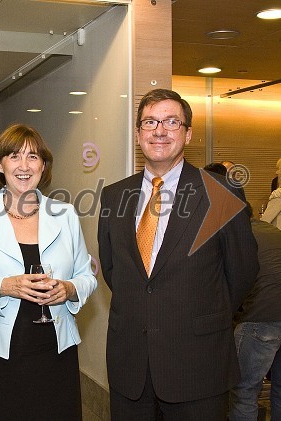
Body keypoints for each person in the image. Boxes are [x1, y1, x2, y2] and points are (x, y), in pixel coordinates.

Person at [98, 88, 259, 420]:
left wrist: (198, 313)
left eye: (172, 121)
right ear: (139, 133)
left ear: (188, 133)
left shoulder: (220, 191)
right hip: (131, 366)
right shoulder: (115, 196)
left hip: (197, 365)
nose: (160, 130)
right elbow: (116, 272)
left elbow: (241, 272)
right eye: (150, 122)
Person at [0, 123, 97, 421]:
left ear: (43, 165)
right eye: (14, 156)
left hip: (55, 351)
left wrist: (69, 289)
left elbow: (87, 276)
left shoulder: (65, 216)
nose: (24, 166)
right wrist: (4, 286)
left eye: (33, 157)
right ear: (0, 164)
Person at [229, 203, 281, 421]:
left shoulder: (239, 237)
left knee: (243, 392)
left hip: (261, 318)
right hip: (273, 313)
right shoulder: (272, 230)